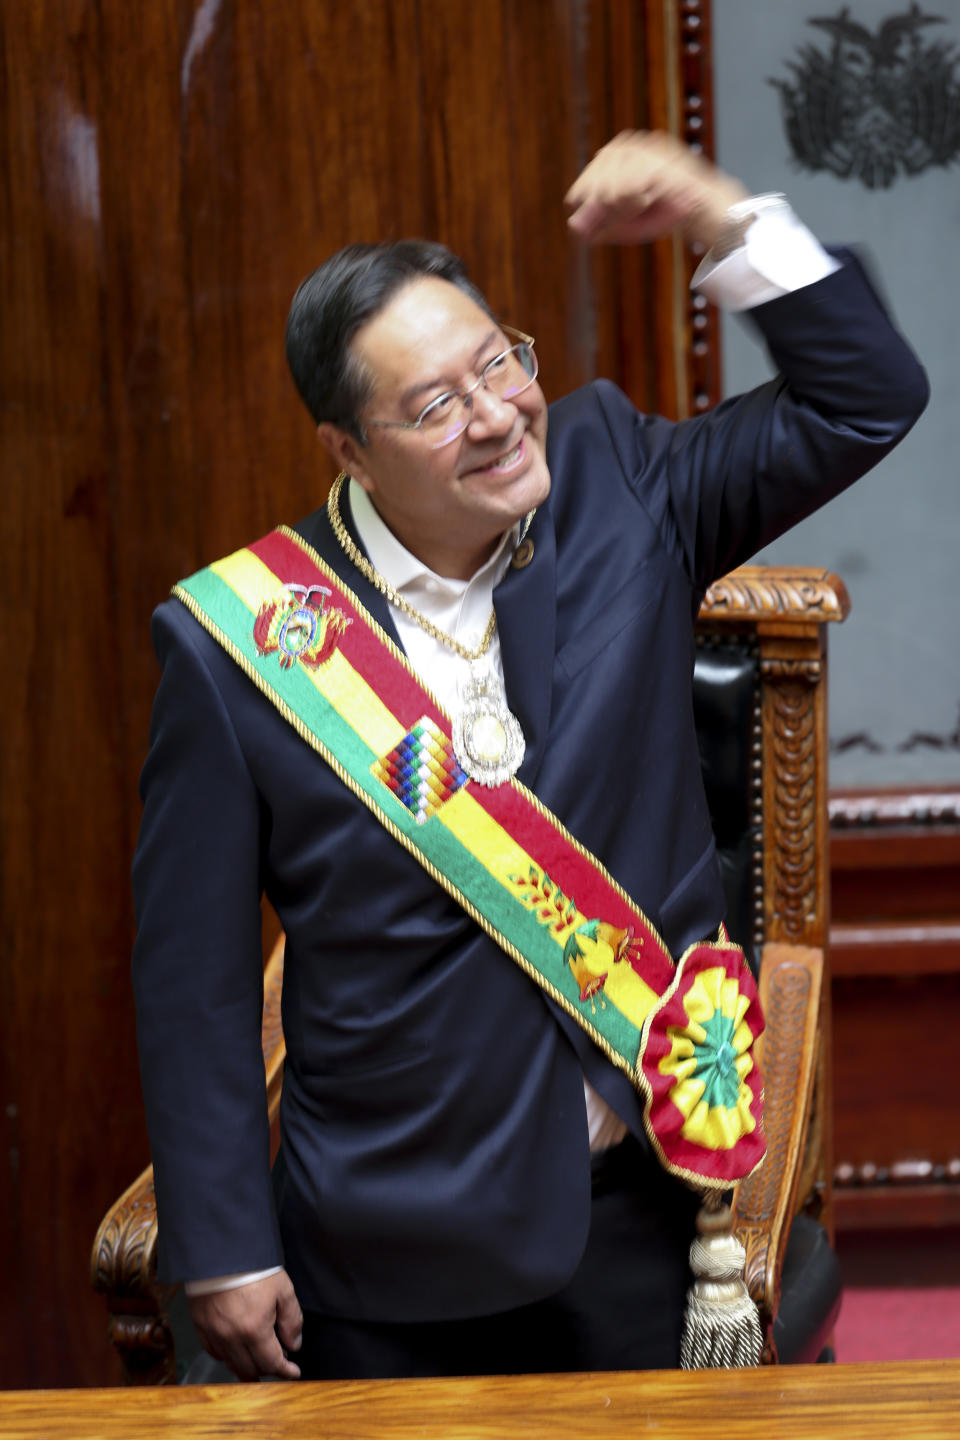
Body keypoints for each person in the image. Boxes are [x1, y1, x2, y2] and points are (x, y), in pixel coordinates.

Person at [132, 131, 927, 1382]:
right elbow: (197, 982)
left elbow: (868, 395)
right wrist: (226, 1246)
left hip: (646, 1222)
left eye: (500, 362)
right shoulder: (239, 645)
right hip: (390, 1243)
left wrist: (720, 214)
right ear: (348, 449)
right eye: (437, 404)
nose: (499, 414)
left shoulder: (620, 480)